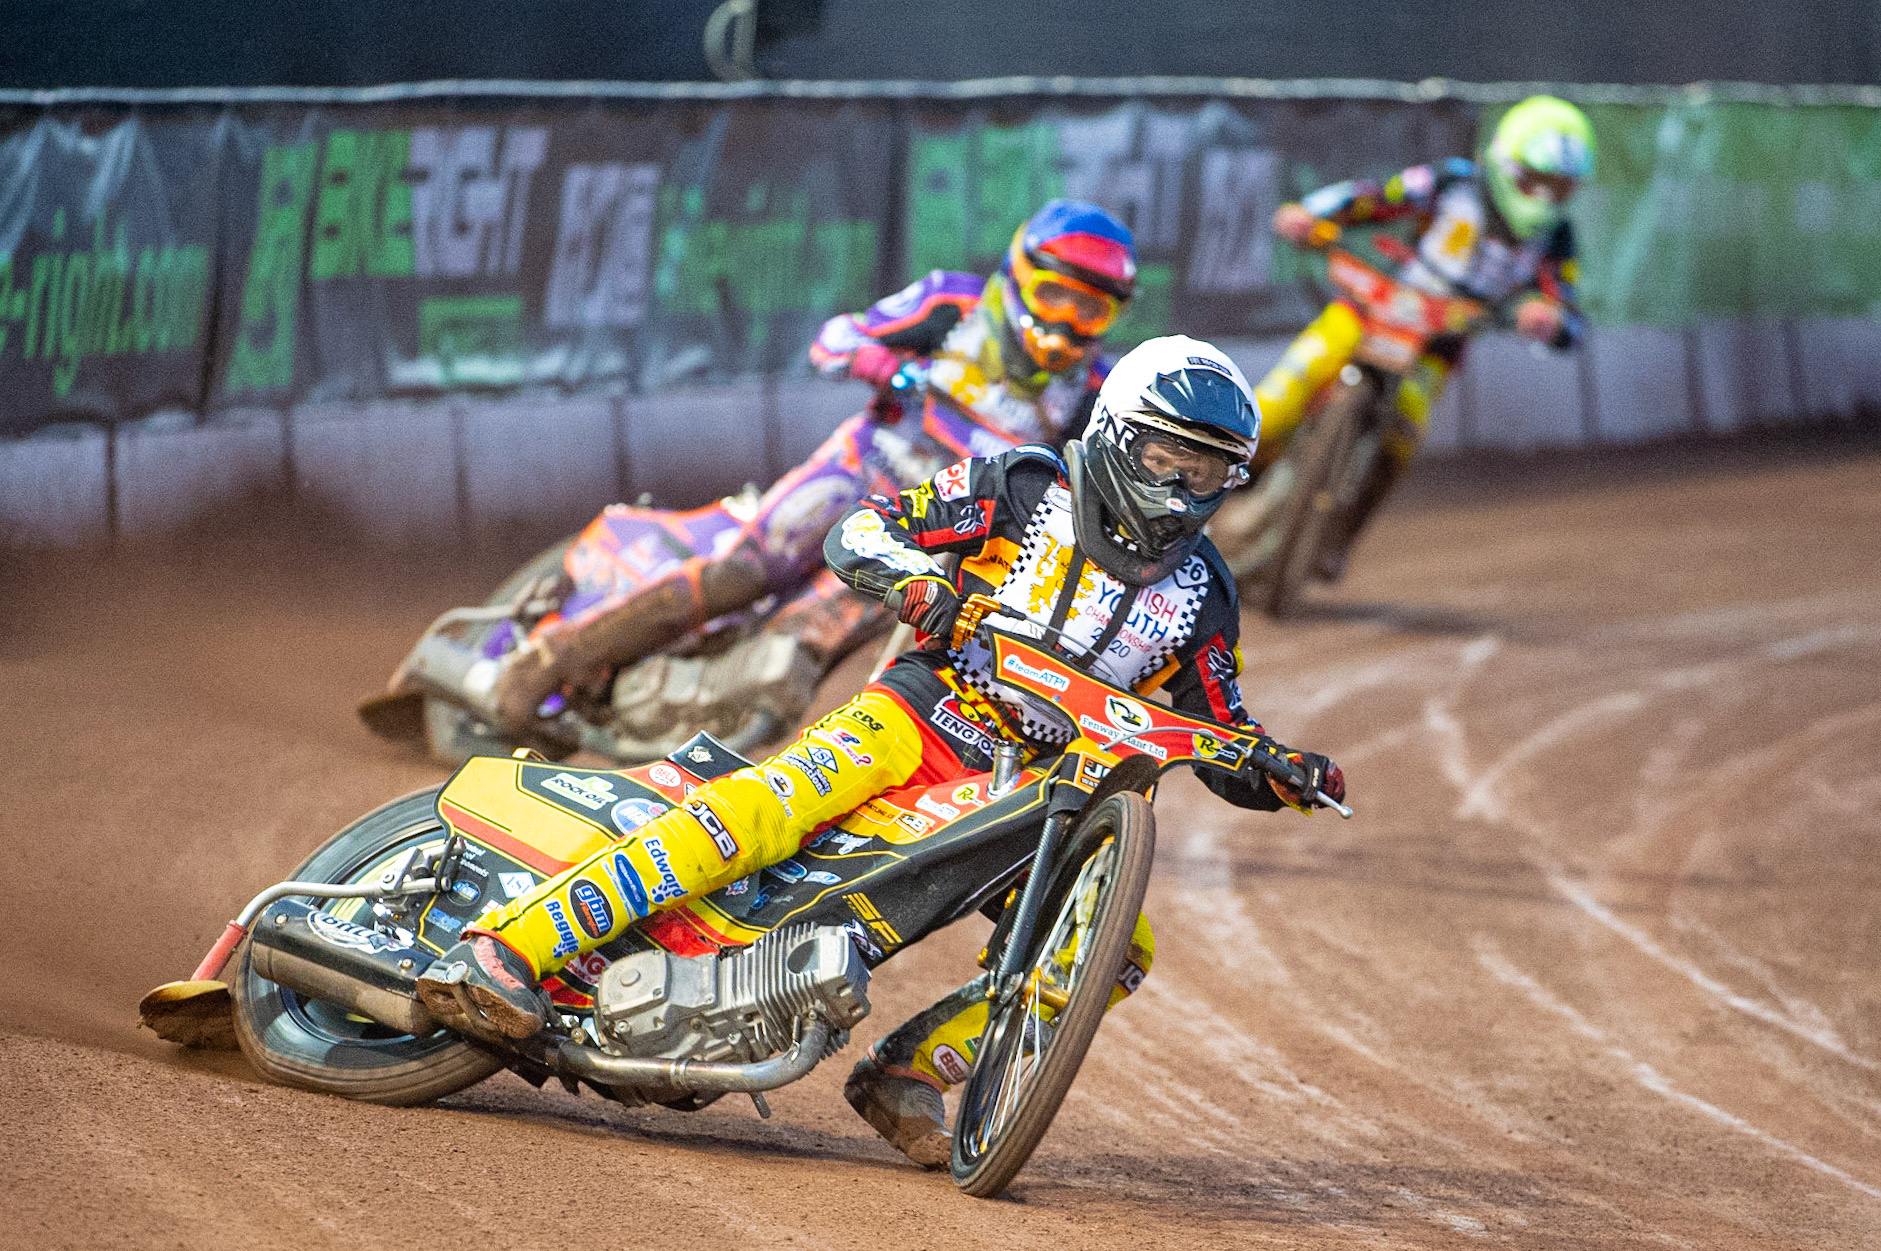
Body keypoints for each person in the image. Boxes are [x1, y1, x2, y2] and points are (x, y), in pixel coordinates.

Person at [418, 335, 1344, 1166]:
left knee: (1118, 948)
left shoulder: (1206, 594)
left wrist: (1281, 769)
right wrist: (916, 586)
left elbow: (1222, 727)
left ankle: (905, 1072)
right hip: (917, 716)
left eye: (1209, 470)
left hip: (1029, 794)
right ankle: (508, 946)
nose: (1184, 488)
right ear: (1113, 434)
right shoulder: (1019, 488)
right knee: (764, 810)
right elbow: (862, 528)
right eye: (1167, 458)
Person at [478, 199, 1137, 734]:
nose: (1068, 322)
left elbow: (1083, 494)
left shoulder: (1092, 391)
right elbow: (835, 338)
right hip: (860, 472)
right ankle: (547, 661)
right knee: (742, 571)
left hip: (928, 534)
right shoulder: (952, 306)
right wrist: (882, 363)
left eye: (1091, 307)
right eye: (1056, 295)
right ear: (1019, 278)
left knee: (810, 643)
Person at [1256, 94, 1596, 580]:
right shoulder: (1453, 183)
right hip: (1370, 308)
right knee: (1273, 406)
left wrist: (1552, 320)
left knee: (1403, 435)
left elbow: (1572, 313)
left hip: (1437, 346)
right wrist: (1312, 213)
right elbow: (1377, 197)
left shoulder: (1556, 240)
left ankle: (1340, 537)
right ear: (1504, 163)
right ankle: (1203, 498)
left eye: (1558, 188)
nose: (1542, 198)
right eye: (1534, 181)